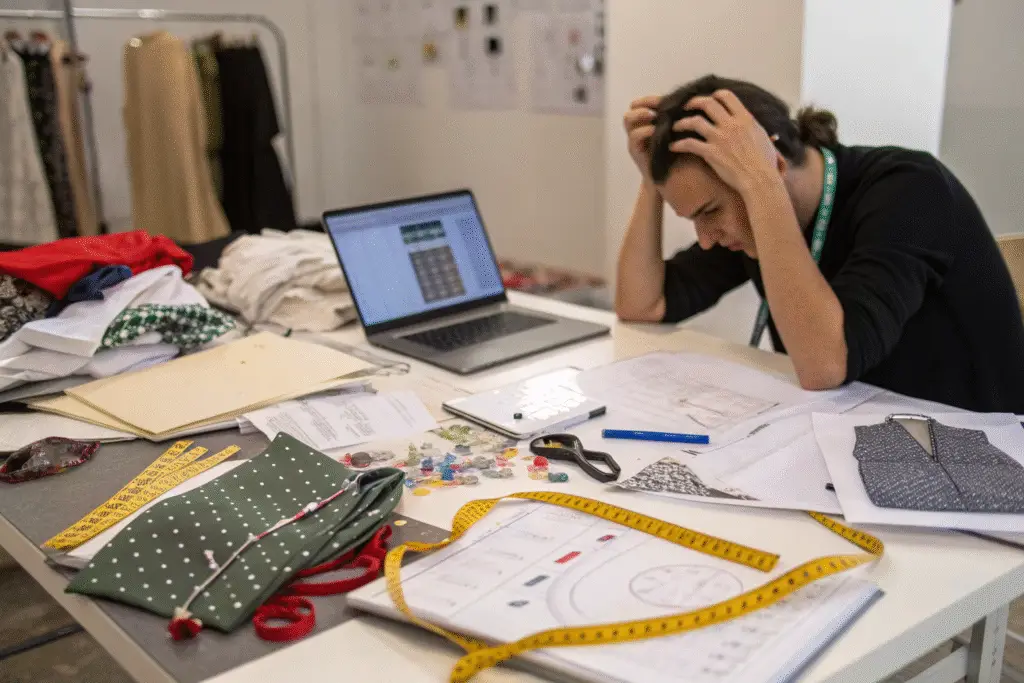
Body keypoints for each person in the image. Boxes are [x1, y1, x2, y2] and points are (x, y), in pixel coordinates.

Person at [615, 74, 1024, 413]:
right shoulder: (748, 222)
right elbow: (643, 305)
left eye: (709, 211)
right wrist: (651, 181)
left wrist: (762, 187)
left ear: (773, 165)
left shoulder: (912, 190)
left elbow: (825, 364)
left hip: (979, 446)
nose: (706, 240)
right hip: (860, 428)